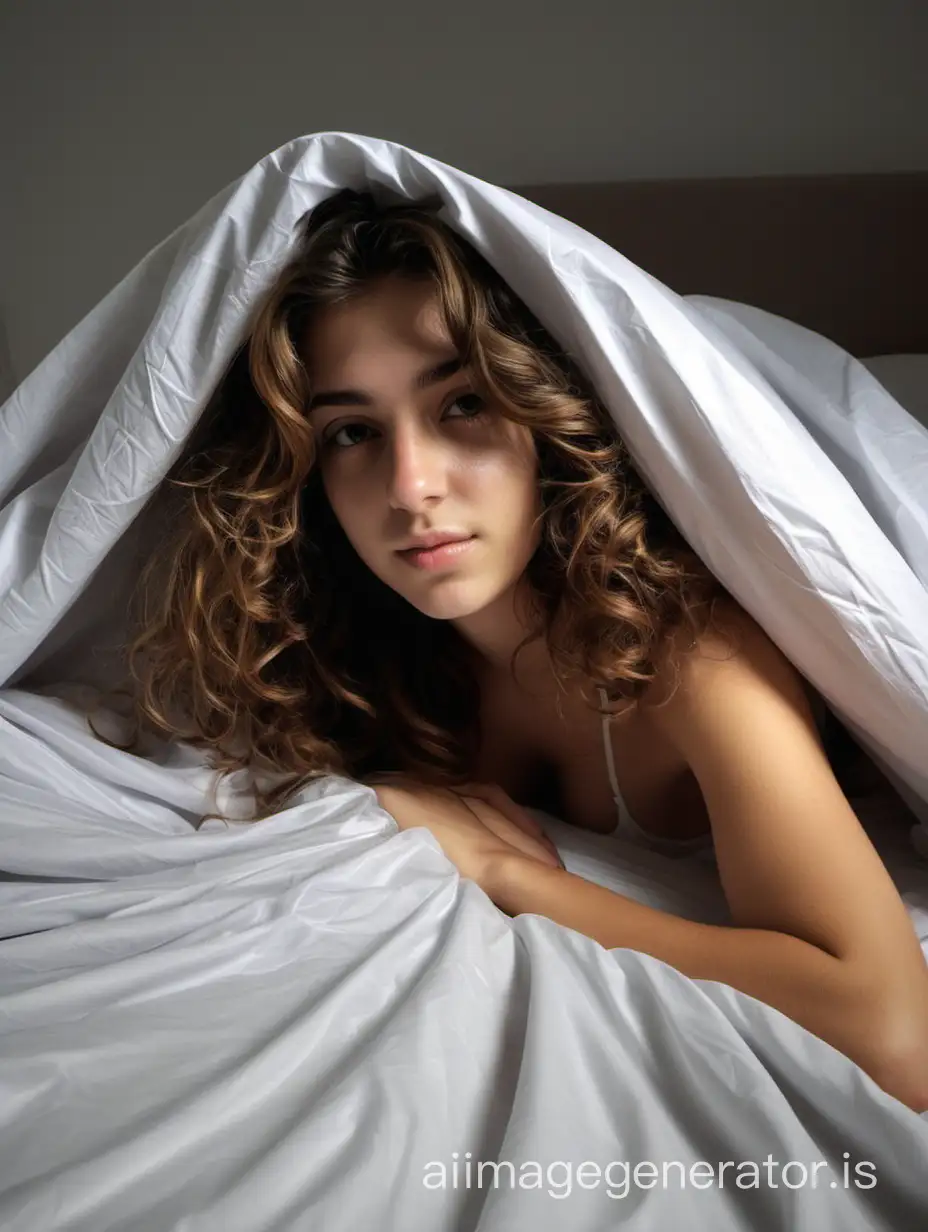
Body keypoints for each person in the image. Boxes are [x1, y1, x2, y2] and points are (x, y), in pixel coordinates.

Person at [122, 188, 928, 1110]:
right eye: (352, 431)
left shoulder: (691, 655)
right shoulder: (361, 654)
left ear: (548, 410)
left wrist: (510, 875)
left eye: (462, 403)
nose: (410, 485)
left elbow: (893, 1037)